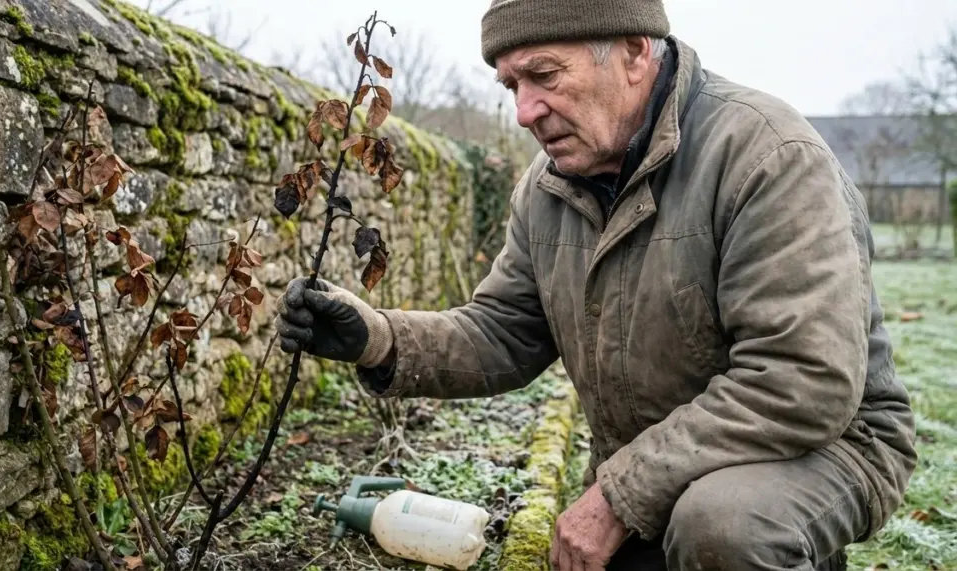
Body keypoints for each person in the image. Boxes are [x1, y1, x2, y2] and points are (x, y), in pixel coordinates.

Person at [273, 0, 919, 569]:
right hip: (656, 457)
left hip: (823, 444)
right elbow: (505, 332)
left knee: (724, 526)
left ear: (636, 53)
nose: (525, 111)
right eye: (510, 86)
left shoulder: (766, 157)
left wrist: (616, 494)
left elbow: (802, 380)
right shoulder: (549, 188)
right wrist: (381, 339)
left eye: (545, 76)